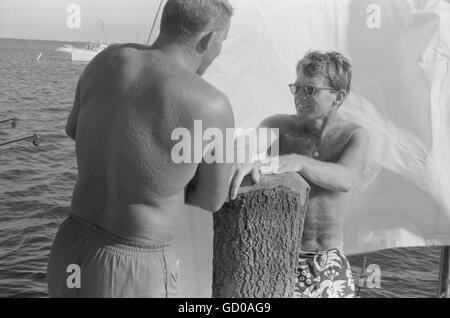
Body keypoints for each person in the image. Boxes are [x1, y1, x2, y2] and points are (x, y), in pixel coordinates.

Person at [47, 0, 235, 298]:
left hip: (69, 249)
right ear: (209, 38)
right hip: (134, 266)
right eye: (222, 41)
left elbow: (73, 129)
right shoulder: (211, 105)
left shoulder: (104, 60)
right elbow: (212, 199)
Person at [230, 51, 370, 298]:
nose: (299, 96)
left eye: (310, 90)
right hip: (280, 258)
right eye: (296, 88)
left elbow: (345, 179)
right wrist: (245, 159)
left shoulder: (353, 135)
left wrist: (298, 162)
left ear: (338, 97)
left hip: (330, 262)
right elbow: (245, 146)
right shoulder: (280, 125)